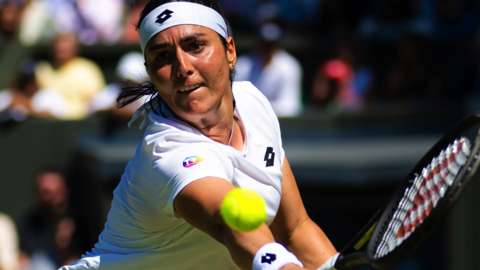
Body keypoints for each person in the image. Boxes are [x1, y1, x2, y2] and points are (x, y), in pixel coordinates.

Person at [59, 1, 338, 269]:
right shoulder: (167, 152)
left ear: (230, 51)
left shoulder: (254, 104)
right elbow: (228, 222)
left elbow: (295, 230)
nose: (183, 68)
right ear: (150, 73)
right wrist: (279, 266)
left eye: (195, 46)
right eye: (163, 57)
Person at [235, 19, 303, 117]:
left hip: (280, 123)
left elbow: (290, 106)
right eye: (264, 44)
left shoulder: (290, 66)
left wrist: (258, 110)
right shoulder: (242, 65)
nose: (267, 49)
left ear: (277, 45)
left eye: (271, 45)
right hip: (246, 119)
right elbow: (234, 100)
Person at [18, 167, 81, 270]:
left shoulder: (83, 220)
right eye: (47, 192)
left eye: (57, 191)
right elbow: (23, 258)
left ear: (66, 190)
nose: (53, 198)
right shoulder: (30, 223)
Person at [35, 31, 106, 120]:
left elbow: (96, 101)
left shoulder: (87, 69)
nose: (61, 48)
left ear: (75, 48)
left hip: (79, 121)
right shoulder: (42, 69)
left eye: (65, 46)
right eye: (59, 45)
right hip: (46, 121)